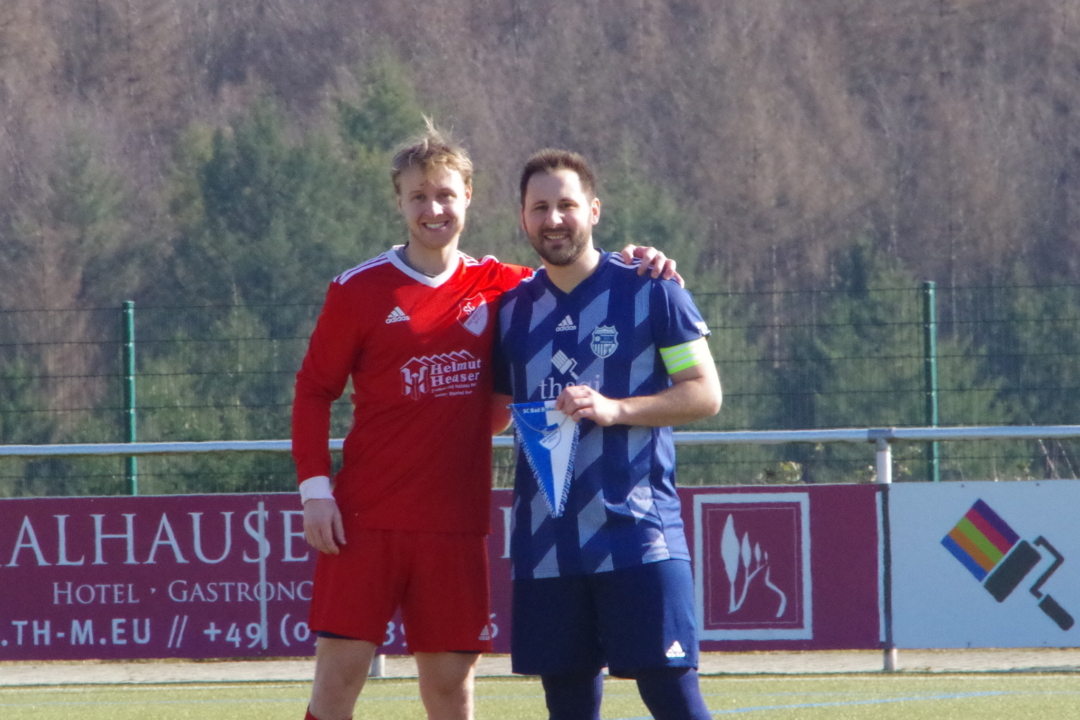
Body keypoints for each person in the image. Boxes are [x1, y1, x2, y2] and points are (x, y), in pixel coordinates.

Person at [291, 125, 679, 720]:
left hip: (455, 525)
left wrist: (637, 261)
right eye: (419, 197)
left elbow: (576, 268)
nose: (433, 209)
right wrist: (316, 491)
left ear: (468, 196)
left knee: (452, 691)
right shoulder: (358, 290)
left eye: (446, 195)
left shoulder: (505, 289)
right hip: (365, 520)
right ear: (399, 202)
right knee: (338, 683)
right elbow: (314, 391)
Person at [492, 149, 722, 720]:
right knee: (568, 708)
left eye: (566, 205)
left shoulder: (652, 289)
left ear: (593, 210)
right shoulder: (509, 313)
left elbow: (704, 392)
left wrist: (616, 409)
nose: (553, 219)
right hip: (546, 547)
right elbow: (490, 414)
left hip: (639, 537)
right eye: (539, 207)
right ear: (522, 217)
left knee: (674, 699)